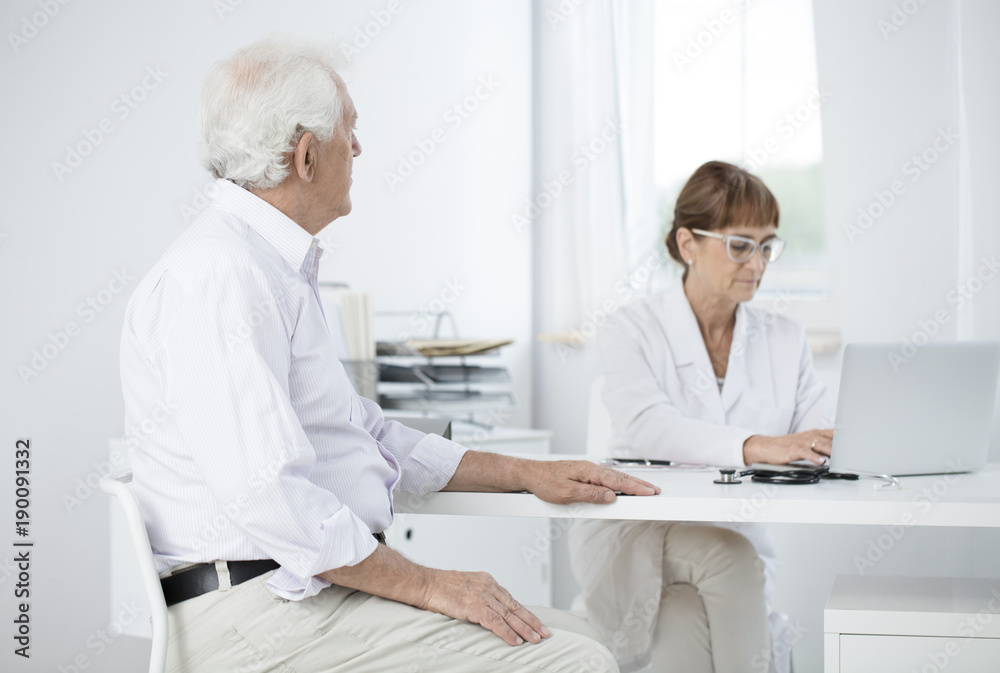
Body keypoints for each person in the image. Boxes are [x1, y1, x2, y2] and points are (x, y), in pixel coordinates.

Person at [119, 35, 661, 673]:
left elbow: (359, 433)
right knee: (576, 661)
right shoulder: (220, 275)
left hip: (297, 594)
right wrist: (433, 585)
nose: (358, 147)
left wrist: (524, 472)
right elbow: (269, 496)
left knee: (574, 631)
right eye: (349, 129)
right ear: (306, 154)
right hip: (254, 615)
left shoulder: (266, 266)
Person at [568, 161, 833, 673]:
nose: (756, 262)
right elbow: (649, 427)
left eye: (767, 246)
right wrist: (757, 445)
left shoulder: (784, 338)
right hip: (638, 531)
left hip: (733, 539)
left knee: (683, 617)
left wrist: (841, 441)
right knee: (728, 558)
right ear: (688, 244)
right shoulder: (631, 329)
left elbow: (815, 436)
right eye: (740, 245)